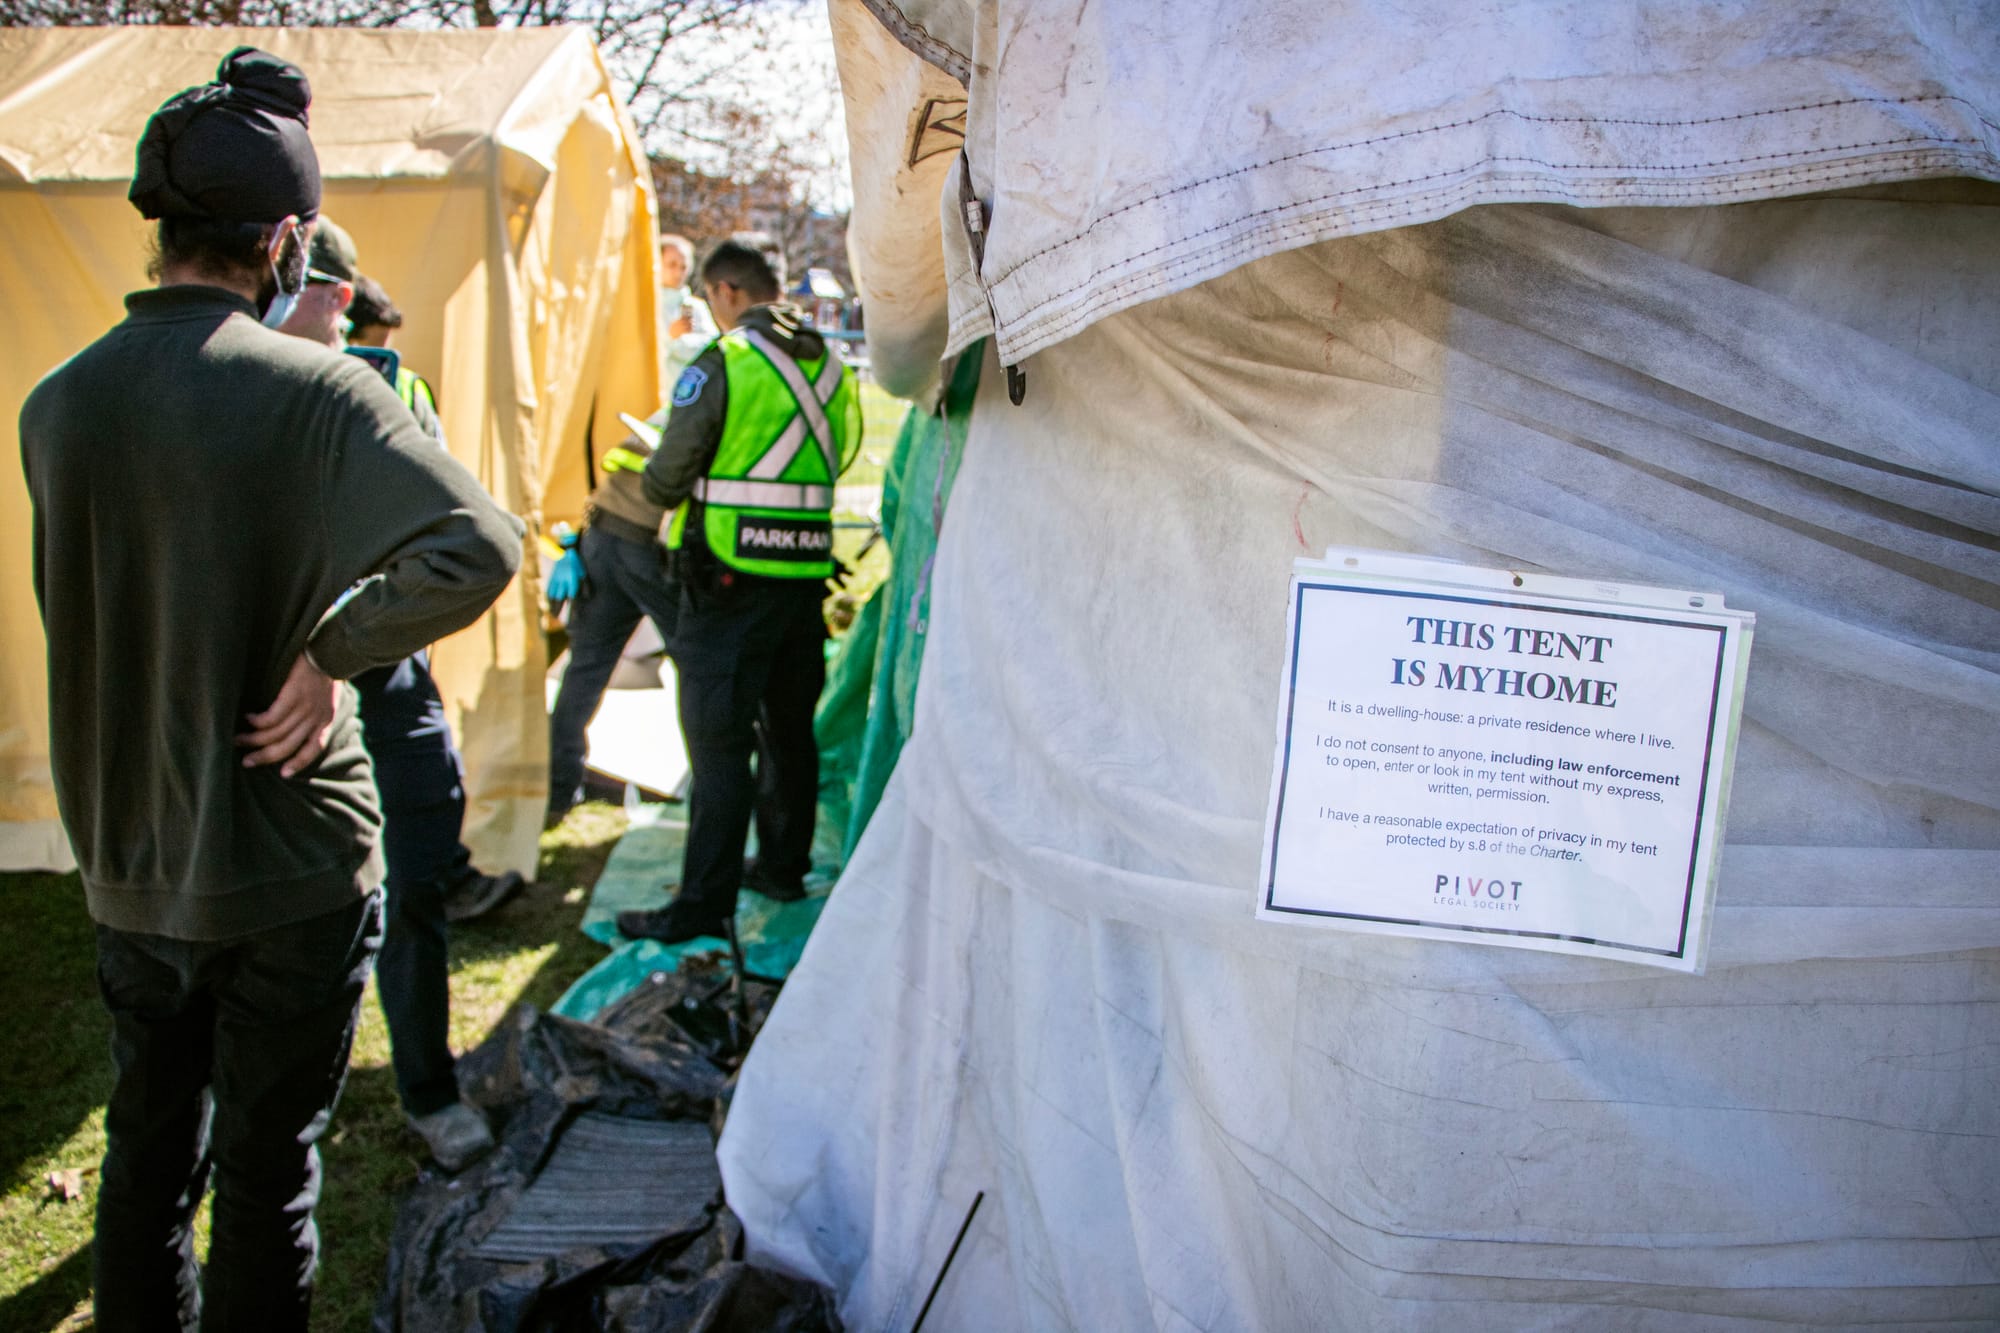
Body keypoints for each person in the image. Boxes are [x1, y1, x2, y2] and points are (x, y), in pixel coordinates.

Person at [17, 48, 523, 1331]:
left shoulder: (54, 404)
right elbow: (482, 546)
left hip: (127, 850)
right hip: (288, 853)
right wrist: (328, 656)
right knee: (263, 1175)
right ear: (285, 238)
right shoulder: (320, 389)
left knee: (144, 1158)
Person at [275, 219, 521, 1169]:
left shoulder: (387, 388)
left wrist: (339, 647)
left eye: (313, 291)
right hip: (277, 699)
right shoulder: (234, 384)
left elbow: (451, 544)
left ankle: (427, 1086)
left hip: (381, 680)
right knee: (286, 915)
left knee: (416, 880)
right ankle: (275, 1097)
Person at [617, 239, 860, 945]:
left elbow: (665, 480)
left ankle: (702, 903)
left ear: (725, 291)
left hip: (727, 579)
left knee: (719, 746)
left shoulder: (726, 362)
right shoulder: (833, 366)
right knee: (789, 732)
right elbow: (836, 457)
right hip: (802, 578)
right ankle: (783, 866)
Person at [658, 231, 717, 388]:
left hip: (691, 394)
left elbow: (712, 346)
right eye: (672, 265)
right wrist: (669, 338)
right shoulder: (649, 306)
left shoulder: (697, 307)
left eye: (683, 267)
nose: (678, 272)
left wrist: (678, 341)